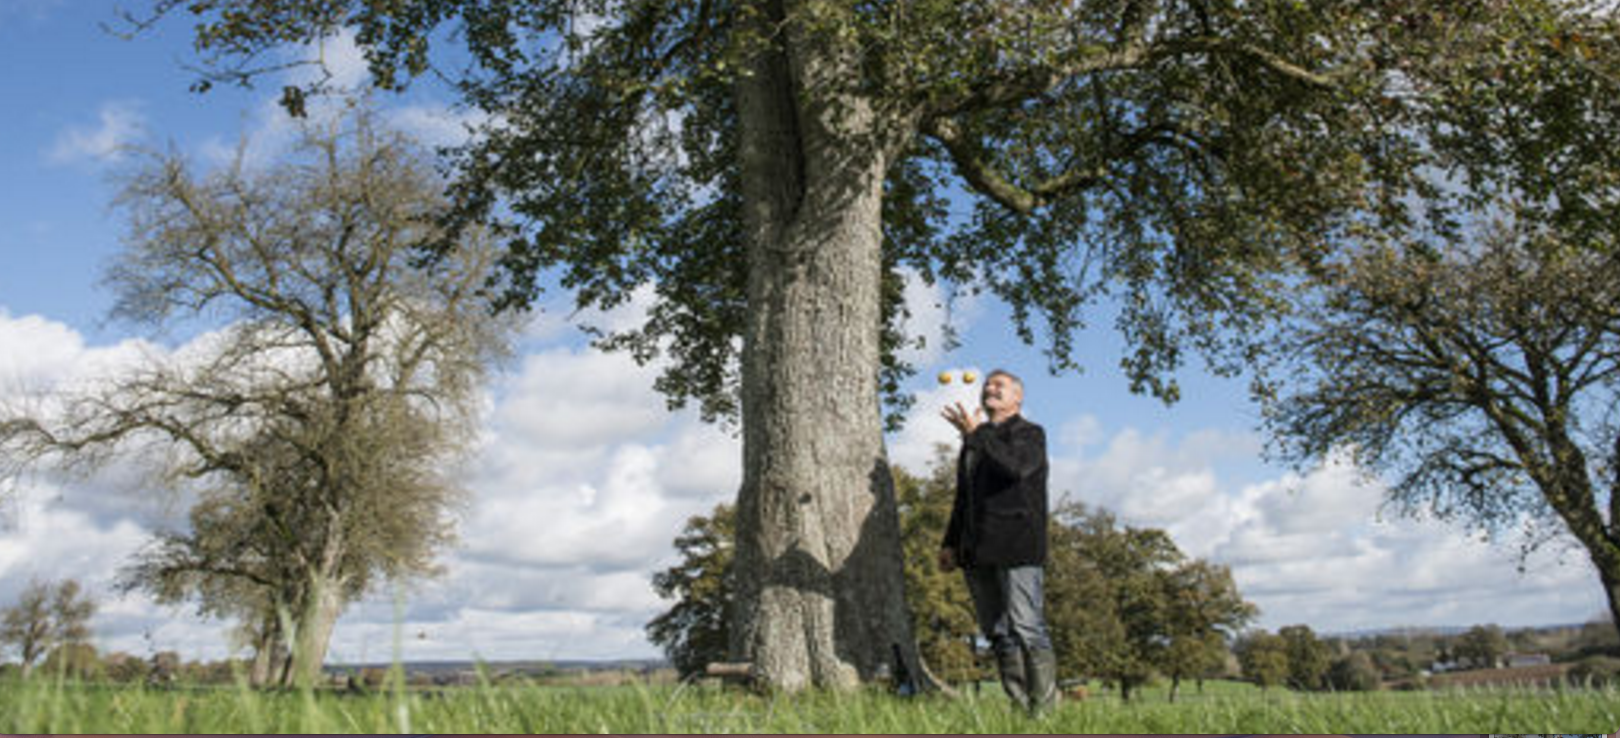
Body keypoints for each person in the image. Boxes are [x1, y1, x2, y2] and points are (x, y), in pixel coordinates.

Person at [938, 368, 1056, 715]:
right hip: (976, 550)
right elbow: (964, 497)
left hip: (1017, 545)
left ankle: (1044, 713)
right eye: (988, 385)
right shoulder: (977, 439)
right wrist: (950, 542)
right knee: (998, 633)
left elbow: (1015, 469)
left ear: (1018, 398)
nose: (990, 388)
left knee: (1026, 628)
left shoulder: (1030, 434)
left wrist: (977, 436)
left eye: (999, 385)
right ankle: (1021, 710)